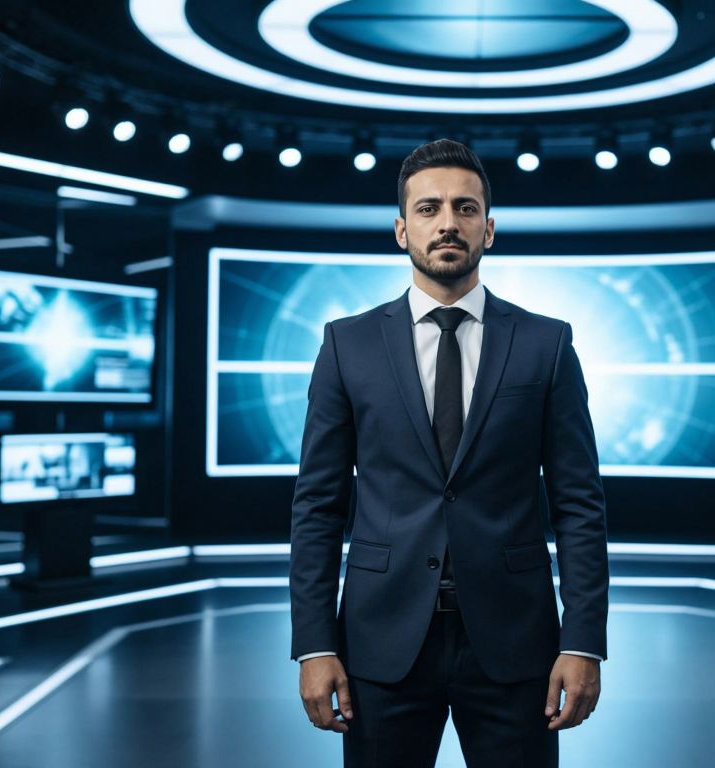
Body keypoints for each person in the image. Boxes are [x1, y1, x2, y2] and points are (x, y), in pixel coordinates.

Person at [289, 139, 609, 767]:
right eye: (430, 209)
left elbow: (579, 504)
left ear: (488, 230)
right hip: (380, 645)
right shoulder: (345, 345)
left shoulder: (546, 344)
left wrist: (585, 641)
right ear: (402, 229)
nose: (448, 223)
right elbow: (318, 506)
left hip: (518, 647)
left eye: (465, 209)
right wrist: (313, 644)